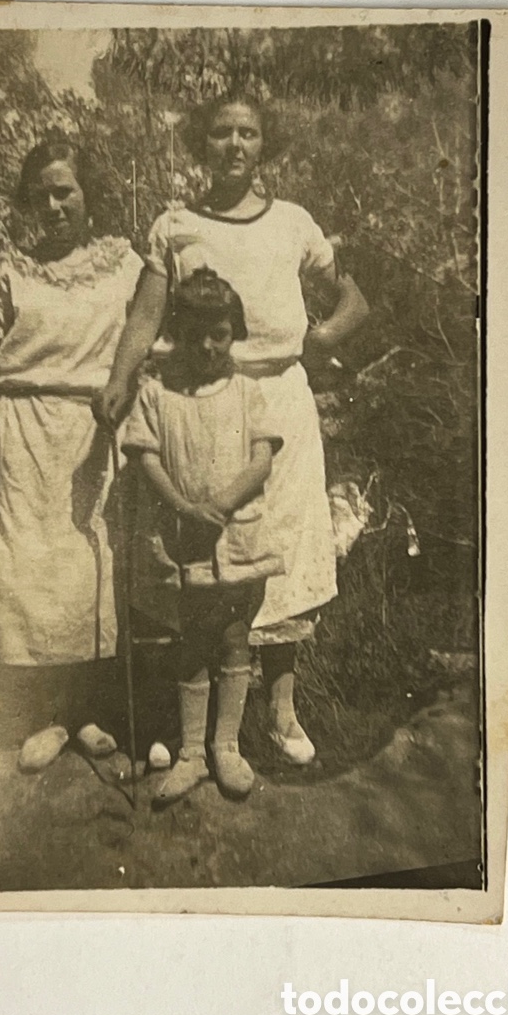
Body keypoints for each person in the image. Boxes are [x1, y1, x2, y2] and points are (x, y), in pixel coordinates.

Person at [95, 95, 369, 765]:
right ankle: (191, 727)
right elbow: (144, 317)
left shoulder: (294, 223)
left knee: (281, 558)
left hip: (277, 404)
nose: (234, 144)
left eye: (248, 133)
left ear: (263, 144)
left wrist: (322, 335)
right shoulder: (176, 225)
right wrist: (120, 379)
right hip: (196, 403)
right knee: (200, 557)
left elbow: (353, 300)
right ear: (202, 143)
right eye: (221, 132)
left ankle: (278, 714)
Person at [0, 138, 144, 773]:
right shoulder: (11, 270)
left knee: (85, 568)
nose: (53, 202)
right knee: (29, 572)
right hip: (20, 429)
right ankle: (45, 717)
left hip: (93, 429)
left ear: (88, 194)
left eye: (64, 189)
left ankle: (88, 714)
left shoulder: (125, 265)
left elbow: (149, 336)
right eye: (41, 192)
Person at [124, 268, 283, 803]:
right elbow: (145, 457)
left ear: (234, 332)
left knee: (235, 636)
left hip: (235, 536)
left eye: (219, 332)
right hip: (183, 538)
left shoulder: (247, 392)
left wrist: (220, 503)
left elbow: (261, 459)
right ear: (177, 333)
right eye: (196, 333)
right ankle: (192, 753)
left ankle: (226, 747)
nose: (208, 345)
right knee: (189, 640)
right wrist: (184, 507)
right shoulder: (156, 395)